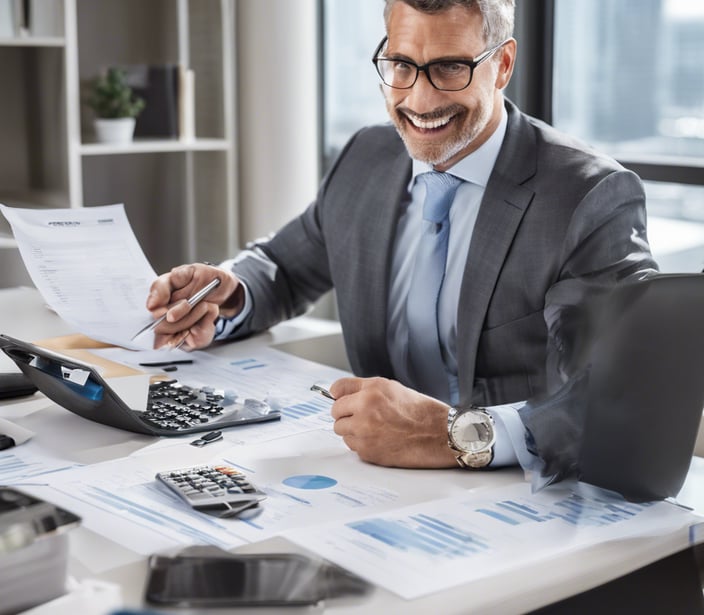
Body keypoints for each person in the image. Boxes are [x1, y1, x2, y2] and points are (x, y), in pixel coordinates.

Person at [144, 0, 656, 476]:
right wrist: (231, 291)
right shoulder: (367, 156)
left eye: (451, 67)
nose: (420, 98)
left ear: (502, 65)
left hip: (517, 494)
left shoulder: (587, 195)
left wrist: (455, 436)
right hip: (371, 483)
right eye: (402, 64)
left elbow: (620, 391)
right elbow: (284, 265)